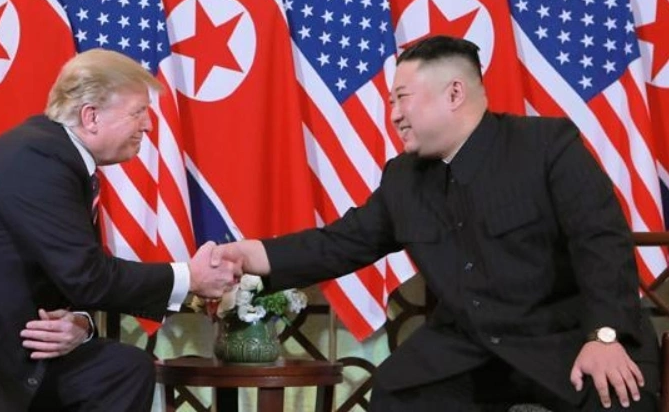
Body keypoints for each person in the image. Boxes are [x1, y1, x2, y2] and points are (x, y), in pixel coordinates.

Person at [212, 35, 660, 411]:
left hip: (568, 337)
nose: (394, 114)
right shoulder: (403, 179)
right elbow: (339, 244)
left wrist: (605, 336)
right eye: (391, 102)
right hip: (470, 350)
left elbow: (601, 241)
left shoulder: (547, 145)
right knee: (397, 392)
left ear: (454, 93)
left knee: (620, 393)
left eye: (402, 98)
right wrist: (252, 256)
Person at [0, 49, 239, 411]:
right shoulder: (37, 159)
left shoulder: (58, 157)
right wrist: (189, 277)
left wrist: (80, 324)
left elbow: (67, 274)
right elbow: (86, 276)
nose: (147, 125)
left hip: (12, 342)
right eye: (138, 112)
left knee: (121, 371)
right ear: (90, 116)